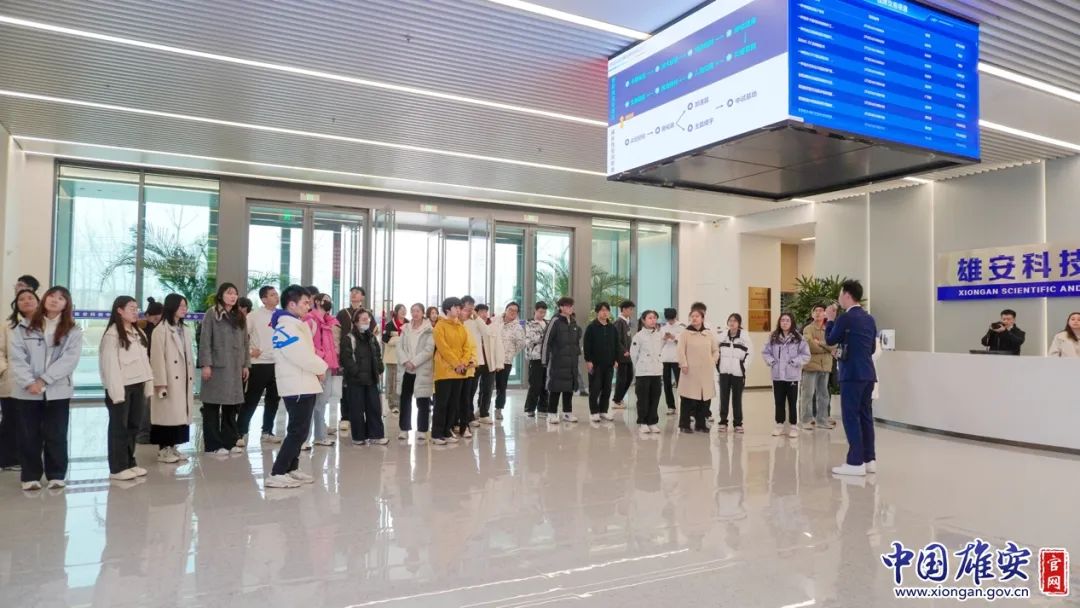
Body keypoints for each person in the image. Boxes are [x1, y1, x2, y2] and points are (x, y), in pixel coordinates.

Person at [10, 286, 83, 491]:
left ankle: (56, 474)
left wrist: (43, 381)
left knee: (56, 434)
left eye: (61, 298)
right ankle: (30, 476)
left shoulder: (73, 330)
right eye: (51, 296)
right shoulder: (23, 327)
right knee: (29, 435)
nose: (55, 300)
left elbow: (69, 360)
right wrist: (29, 382)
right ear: (44, 299)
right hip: (26, 391)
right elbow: (17, 358)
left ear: (66, 304)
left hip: (58, 390)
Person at [266, 285, 328, 488]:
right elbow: (300, 355)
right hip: (297, 384)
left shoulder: (296, 324)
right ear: (291, 304)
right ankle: (277, 472)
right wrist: (321, 367)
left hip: (304, 383)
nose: (308, 306)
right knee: (297, 431)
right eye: (305, 302)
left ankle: (292, 468)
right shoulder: (286, 326)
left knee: (301, 430)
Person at [826, 280, 879, 477]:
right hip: (868, 374)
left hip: (851, 375)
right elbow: (871, 348)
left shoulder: (845, 318)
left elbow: (830, 339)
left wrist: (830, 320)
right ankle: (869, 460)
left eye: (841, 294)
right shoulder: (869, 318)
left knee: (850, 417)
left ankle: (855, 462)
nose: (839, 298)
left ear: (847, 295)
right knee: (865, 416)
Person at [99, 296, 154, 482]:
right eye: (131, 308)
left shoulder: (139, 333)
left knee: (133, 426)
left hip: (138, 385)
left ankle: (130, 462)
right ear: (119, 310)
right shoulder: (112, 335)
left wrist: (148, 384)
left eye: (136, 308)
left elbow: (145, 362)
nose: (135, 311)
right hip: (121, 387)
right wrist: (116, 392)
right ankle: (117, 467)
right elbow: (110, 366)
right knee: (119, 428)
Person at [199, 283, 250, 456]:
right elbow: (205, 340)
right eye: (229, 293)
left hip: (235, 367)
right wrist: (206, 364)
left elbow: (245, 342)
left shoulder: (239, 315)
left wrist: (246, 364)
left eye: (235, 293)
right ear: (221, 295)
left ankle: (229, 441)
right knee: (212, 406)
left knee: (231, 406)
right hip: (217, 366)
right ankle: (213, 444)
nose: (233, 296)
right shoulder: (212, 313)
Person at [149, 294, 194, 464]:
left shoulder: (184, 329)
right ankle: (163, 449)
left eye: (185, 306)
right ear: (172, 307)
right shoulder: (161, 330)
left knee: (179, 415)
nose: (184, 309)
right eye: (181, 306)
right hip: (168, 380)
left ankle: (173, 446)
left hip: (183, 379)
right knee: (166, 415)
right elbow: (157, 359)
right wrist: (160, 383)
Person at [0, 289, 39, 472]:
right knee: (11, 420)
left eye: (30, 298)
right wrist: (4, 370)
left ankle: (27, 458)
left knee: (32, 422)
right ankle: (7, 459)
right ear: (16, 304)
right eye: (21, 299)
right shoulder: (7, 326)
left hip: (37, 382)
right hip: (12, 380)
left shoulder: (45, 325)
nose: (26, 301)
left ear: (38, 302)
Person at [240, 286, 282, 446]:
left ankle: (267, 431)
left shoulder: (282, 316)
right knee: (252, 399)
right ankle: (241, 431)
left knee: (273, 399)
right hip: (259, 364)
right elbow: (241, 336)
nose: (276, 296)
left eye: (276, 294)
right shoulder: (254, 316)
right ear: (264, 299)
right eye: (272, 295)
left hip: (277, 363)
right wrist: (250, 352)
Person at [431, 297, 474, 445]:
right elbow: (443, 348)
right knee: (442, 403)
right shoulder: (439, 326)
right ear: (448, 309)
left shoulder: (461, 326)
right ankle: (437, 433)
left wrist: (463, 363)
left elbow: (467, 347)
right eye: (456, 307)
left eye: (459, 308)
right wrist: (456, 363)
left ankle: (447, 431)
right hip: (444, 371)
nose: (459, 310)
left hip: (459, 371)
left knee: (453, 403)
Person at [341, 309, 386, 445]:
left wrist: (379, 368)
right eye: (363, 319)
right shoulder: (349, 338)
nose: (367, 322)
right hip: (355, 380)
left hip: (371, 379)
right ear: (356, 322)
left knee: (374, 408)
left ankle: (376, 435)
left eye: (368, 319)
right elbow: (346, 359)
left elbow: (377, 354)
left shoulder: (371, 337)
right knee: (357, 409)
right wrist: (356, 372)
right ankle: (358, 437)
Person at [763, 313, 810, 439]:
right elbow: (766, 352)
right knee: (779, 401)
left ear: (792, 322)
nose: (784, 322)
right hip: (777, 375)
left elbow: (806, 355)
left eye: (787, 320)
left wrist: (795, 362)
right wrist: (772, 362)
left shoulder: (798, 338)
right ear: (779, 322)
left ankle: (793, 426)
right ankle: (779, 425)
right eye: (782, 320)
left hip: (792, 375)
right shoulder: (773, 337)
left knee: (792, 402)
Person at [305, 294, 342, 449]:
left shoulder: (330, 322)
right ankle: (304, 439)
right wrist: (321, 357)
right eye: (325, 300)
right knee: (309, 403)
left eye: (330, 300)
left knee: (322, 402)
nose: (329, 303)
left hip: (327, 366)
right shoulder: (310, 320)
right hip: (315, 366)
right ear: (317, 302)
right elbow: (306, 344)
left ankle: (320, 436)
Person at [677, 308, 718, 433]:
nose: (694, 318)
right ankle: (684, 424)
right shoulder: (685, 333)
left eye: (697, 316)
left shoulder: (708, 334)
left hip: (705, 372)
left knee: (703, 398)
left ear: (702, 318)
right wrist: (683, 364)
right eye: (692, 316)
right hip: (689, 371)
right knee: (687, 398)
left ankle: (701, 424)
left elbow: (715, 350)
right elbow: (680, 350)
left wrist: (713, 361)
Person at [397, 303, 434, 440]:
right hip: (407, 370)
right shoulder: (405, 328)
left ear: (423, 313)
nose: (415, 313)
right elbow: (399, 347)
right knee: (405, 400)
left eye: (418, 311)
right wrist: (406, 361)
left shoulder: (429, 329)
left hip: (421, 369)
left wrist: (414, 362)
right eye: (413, 311)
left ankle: (422, 429)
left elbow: (429, 350)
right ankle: (404, 429)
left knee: (423, 400)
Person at [542, 297, 581, 424]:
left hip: (572, 362)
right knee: (556, 388)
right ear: (561, 307)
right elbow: (546, 341)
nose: (570, 308)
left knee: (569, 388)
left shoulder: (573, 322)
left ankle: (567, 413)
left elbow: (576, 342)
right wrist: (544, 360)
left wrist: (577, 355)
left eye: (571, 306)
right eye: (567, 306)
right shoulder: (555, 321)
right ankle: (551, 414)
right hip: (558, 361)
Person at [335, 286, 367, 432]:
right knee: (345, 386)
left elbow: (372, 334)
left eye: (357, 292)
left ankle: (359, 415)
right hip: (346, 354)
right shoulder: (342, 313)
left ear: (362, 297)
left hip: (363, 356)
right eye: (352, 292)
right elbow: (336, 335)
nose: (354, 294)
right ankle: (345, 417)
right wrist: (337, 353)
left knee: (362, 385)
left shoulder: (367, 313)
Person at [134, 296, 165, 444]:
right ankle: (143, 434)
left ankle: (152, 433)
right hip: (144, 371)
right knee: (145, 404)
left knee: (154, 403)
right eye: (155, 318)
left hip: (156, 370)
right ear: (147, 315)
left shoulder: (161, 329)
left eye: (160, 318)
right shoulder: (140, 330)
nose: (157, 321)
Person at [800, 304, 836, 430]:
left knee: (824, 395)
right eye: (815, 311)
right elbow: (809, 346)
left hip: (825, 366)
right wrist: (827, 348)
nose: (818, 313)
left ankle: (822, 420)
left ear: (825, 314)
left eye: (821, 311)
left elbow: (834, 345)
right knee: (808, 394)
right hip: (810, 366)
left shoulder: (829, 329)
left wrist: (819, 342)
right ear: (812, 314)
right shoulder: (807, 329)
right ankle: (806, 420)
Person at [716, 313, 752, 434]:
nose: (732, 323)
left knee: (737, 399)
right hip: (724, 372)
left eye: (735, 321)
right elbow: (716, 352)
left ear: (739, 323)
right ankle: (723, 422)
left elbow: (750, 354)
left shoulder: (744, 337)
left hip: (738, 373)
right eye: (730, 320)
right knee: (723, 398)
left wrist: (743, 368)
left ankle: (738, 423)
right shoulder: (722, 337)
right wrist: (719, 367)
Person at [583, 302, 619, 422]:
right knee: (595, 388)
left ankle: (603, 411)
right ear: (597, 312)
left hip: (609, 364)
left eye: (607, 310)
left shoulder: (612, 328)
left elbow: (616, 345)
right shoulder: (591, 327)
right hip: (595, 364)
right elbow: (587, 345)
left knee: (607, 388)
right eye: (602, 310)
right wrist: (588, 361)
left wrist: (616, 359)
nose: (605, 312)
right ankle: (594, 412)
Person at [630, 309, 663, 434]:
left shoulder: (659, 335)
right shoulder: (638, 336)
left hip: (656, 371)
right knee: (643, 398)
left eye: (654, 318)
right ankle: (643, 422)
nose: (653, 320)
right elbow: (634, 355)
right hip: (643, 372)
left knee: (655, 397)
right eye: (650, 318)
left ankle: (652, 422)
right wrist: (640, 366)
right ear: (643, 320)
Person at [474, 304, 505, 425]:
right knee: (471, 390)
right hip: (475, 362)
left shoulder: (492, 326)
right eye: (481, 311)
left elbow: (498, 344)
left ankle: (484, 414)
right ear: (476, 313)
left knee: (488, 389)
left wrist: (499, 362)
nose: (484, 314)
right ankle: (469, 414)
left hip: (489, 362)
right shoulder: (472, 324)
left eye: (485, 312)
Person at [494, 302, 526, 421]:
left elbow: (521, 344)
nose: (512, 312)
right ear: (506, 310)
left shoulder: (518, 327)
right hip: (492, 358)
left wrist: (510, 353)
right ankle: (482, 410)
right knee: (485, 386)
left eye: (515, 311)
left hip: (506, 361)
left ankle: (499, 409)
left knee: (501, 386)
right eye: (510, 310)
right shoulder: (496, 321)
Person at [523, 302, 549, 418]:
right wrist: (545, 336)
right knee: (535, 384)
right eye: (540, 312)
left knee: (545, 384)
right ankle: (530, 408)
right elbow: (530, 340)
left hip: (547, 357)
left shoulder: (548, 323)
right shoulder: (529, 323)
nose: (542, 314)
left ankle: (543, 408)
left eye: (544, 312)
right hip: (535, 357)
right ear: (535, 310)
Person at [383, 304, 407, 416]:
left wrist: (395, 337)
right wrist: (399, 339)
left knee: (403, 381)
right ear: (396, 312)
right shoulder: (389, 324)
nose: (403, 312)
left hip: (405, 358)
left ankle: (402, 404)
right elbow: (385, 339)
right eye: (401, 310)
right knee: (392, 381)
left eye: (405, 310)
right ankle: (393, 405)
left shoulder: (408, 323)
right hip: (392, 358)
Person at [612, 300, 637, 409]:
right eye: (630, 309)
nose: (631, 311)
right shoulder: (619, 322)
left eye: (632, 309)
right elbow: (616, 339)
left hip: (628, 355)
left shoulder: (626, 322)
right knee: (622, 378)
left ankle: (619, 398)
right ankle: (616, 400)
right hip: (622, 356)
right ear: (624, 309)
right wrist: (623, 351)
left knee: (629, 377)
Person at [660, 308, 684, 415]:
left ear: (675, 317)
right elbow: (660, 343)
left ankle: (685, 406)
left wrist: (674, 337)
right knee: (666, 383)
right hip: (665, 358)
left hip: (677, 358)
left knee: (681, 383)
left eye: (671, 319)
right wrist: (664, 338)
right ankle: (670, 406)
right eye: (668, 319)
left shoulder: (681, 327)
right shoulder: (663, 328)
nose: (670, 321)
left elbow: (683, 342)